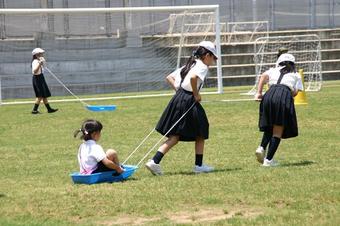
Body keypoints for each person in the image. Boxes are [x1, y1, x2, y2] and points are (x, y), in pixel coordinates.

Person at [145, 41, 217, 175]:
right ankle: (199, 166)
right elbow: (194, 78)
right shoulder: (202, 66)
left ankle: (154, 161)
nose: (214, 60)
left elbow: (170, 77)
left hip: (179, 98)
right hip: (188, 99)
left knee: (176, 135)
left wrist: (180, 92)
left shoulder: (191, 64)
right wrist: (196, 94)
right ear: (207, 55)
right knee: (201, 129)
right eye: (214, 57)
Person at [254, 53, 304, 167]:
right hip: (283, 95)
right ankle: (268, 160)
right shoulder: (296, 74)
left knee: (269, 124)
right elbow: (295, 92)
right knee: (278, 129)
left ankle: (261, 147)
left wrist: (259, 93)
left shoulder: (273, 70)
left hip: (269, 94)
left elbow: (263, 77)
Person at [31, 48, 58, 114]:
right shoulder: (35, 61)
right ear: (36, 55)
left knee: (44, 95)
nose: (42, 55)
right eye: (40, 54)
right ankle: (34, 110)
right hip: (37, 78)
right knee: (40, 95)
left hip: (41, 77)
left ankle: (49, 109)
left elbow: (43, 69)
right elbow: (34, 71)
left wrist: (42, 63)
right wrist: (40, 64)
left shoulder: (39, 60)